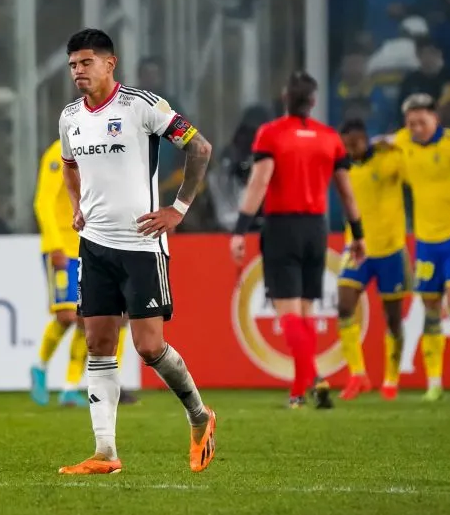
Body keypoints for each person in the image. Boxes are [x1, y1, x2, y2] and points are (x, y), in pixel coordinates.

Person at [56, 28, 216, 475]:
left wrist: (178, 209)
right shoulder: (70, 117)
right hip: (95, 245)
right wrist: (76, 206)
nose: (78, 71)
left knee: (148, 347)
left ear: (110, 63)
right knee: (98, 342)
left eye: (86, 62)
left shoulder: (142, 106)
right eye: (72, 65)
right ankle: (105, 453)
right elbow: (69, 167)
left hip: (142, 245)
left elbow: (200, 147)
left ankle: (199, 416)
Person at [230, 71, 366, 409]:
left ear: (285, 98)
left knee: (288, 313)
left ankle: (316, 379)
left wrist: (240, 229)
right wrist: (358, 234)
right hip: (316, 229)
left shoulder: (271, 134)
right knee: (305, 313)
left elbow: (259, 182)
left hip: (282, 227)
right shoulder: (330, 138)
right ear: (314, 101)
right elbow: (347, 193)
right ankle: (299, 390)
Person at [391, 94, 450, 401]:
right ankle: (434, 383)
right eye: (411, 123)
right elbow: (377, 151)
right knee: (430, 310)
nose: (416, 128)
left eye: (422, 122)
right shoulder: (400, 143)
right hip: (425, 241)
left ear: (436, 119)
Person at [30, 139, 138, 408]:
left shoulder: (99, 152)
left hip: (88, 247)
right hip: (61, 248)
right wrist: (54, 245)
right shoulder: (59, 152)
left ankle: (69, 387)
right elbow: (43, 202)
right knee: (66, 316)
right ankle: (40, 366)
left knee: (85, 318)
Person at [334, 120, 408, 401]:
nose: (350, 149)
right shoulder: (343, 167)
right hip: (357, 248)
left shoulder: (389, 159)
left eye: (354, 143)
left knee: (393, 318)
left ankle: (391, 379)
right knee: (344, 306)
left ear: (366, 139)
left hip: (391, 250)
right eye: (346, 145)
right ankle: (357, 375)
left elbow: (411, 165)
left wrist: (394, 143)